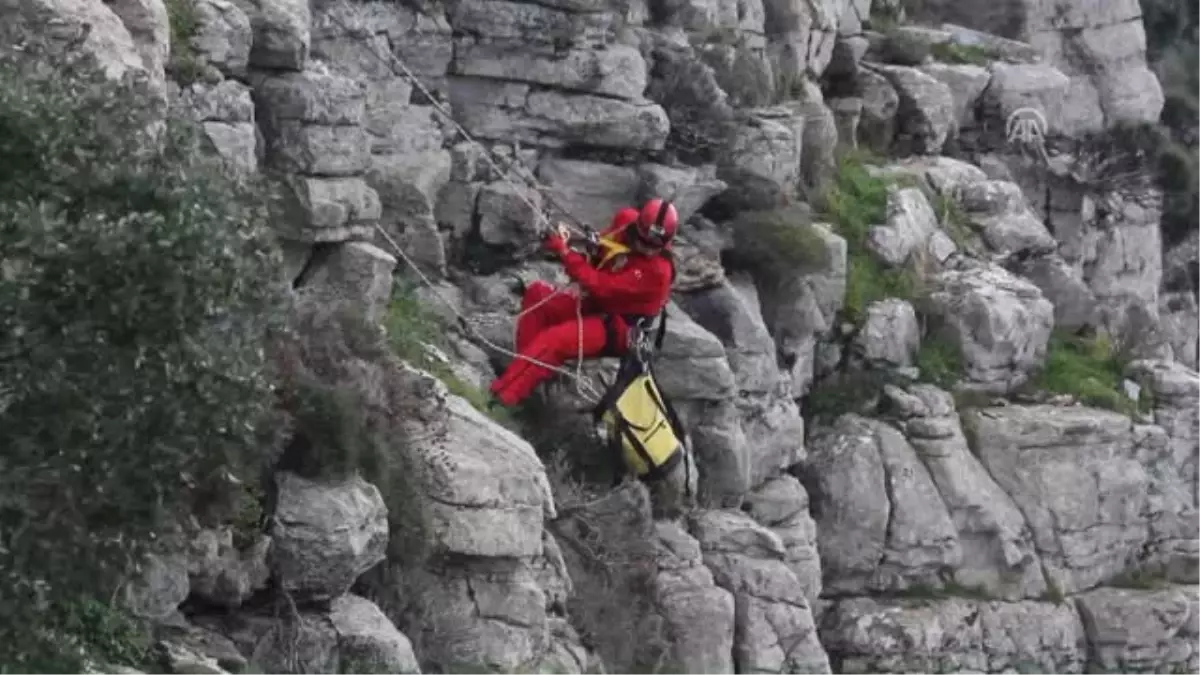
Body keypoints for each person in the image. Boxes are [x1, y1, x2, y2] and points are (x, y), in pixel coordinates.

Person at [488, 198, 679, 407]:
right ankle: (522, 374)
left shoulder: (658, 271)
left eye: (654, 247)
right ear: (638, 228)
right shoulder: (625, 221)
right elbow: (603, 253)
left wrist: (565, 253)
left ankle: (502, 398)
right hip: (599, 305)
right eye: (643, 242)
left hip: (620, 327)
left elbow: (599, 284)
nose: (647, 249)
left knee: (555, 340)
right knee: (537, 295)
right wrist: (591, 246)